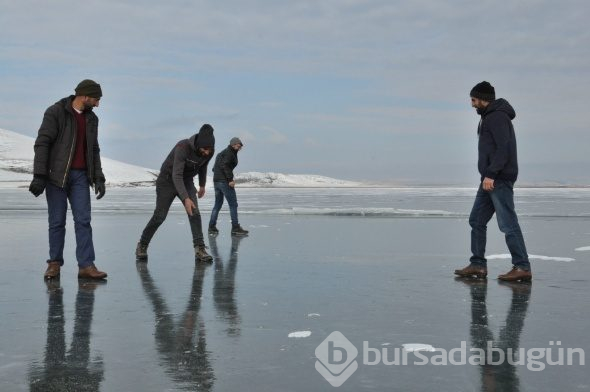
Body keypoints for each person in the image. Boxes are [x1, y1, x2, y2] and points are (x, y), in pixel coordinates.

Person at [29, 79, 108, 280]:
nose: (98, 104)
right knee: (57, 221)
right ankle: (54, 264)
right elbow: (42, 143)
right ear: (85, 96)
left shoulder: (92, 119)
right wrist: (39, 175)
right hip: (56, 176)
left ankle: (86, 265)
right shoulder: (55, 112)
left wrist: (98, 177)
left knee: (84, 220)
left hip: (81, 177)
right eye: (96, 99)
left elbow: (94, 149)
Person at [455, 81, 532, 282]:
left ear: (483, 99)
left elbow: (503, 149)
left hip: (498, 179)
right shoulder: (488, 117)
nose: (471, 104)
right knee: (476, 220)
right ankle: (478, 264)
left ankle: (522, 266)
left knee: (507, 223)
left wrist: (491, 174)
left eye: (473, 100)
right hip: (489, 179)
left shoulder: (497, 117)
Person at [136, 124, 215, 261]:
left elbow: (203, 167)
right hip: (167, 181)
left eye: (210, 149)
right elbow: (176, 175)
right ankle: (142, 245)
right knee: (160, 216)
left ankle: (199, 249)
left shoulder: (209, 151)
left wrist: (202, 185)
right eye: (205, 149)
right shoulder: (182, 147)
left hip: (187, 180)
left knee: (194, 213)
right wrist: (185, 198)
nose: (207, 152)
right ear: (198, 145)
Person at [208, 137, 249, 236]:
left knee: (218, 204)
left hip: (217, 181)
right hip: (224, 182)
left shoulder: (222, 153)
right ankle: (235, 228)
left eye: (240, 145)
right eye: (238, 144)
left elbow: (214, 168)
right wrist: (230, 179)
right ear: (233, 144)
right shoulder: (229, 153)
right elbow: (225, 166)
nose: (239, 147)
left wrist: (219, 177)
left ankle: (211, 227)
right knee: (233, 204)